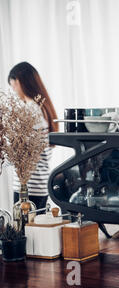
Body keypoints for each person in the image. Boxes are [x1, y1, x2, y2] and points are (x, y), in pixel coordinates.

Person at [8, 62, 59, 209]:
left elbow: (22, 152)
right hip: (40, 183)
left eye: (13, 86)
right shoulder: (42, 109)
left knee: (26, 230)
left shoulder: (30, 110)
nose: (14, 91)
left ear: (18, 81)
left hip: (28, 185)